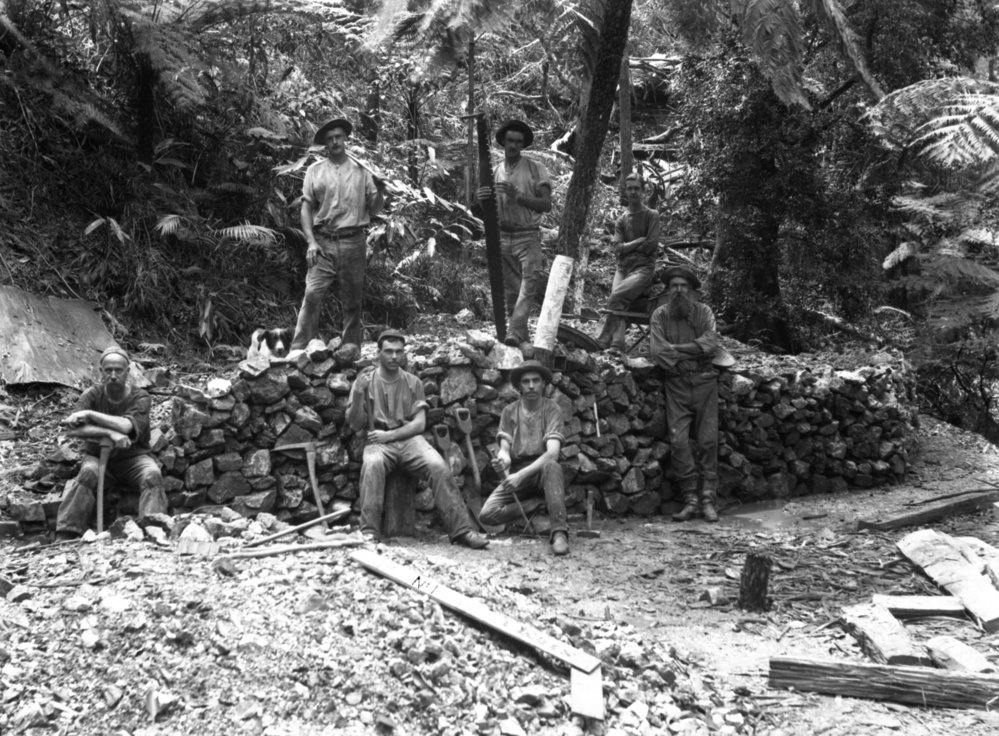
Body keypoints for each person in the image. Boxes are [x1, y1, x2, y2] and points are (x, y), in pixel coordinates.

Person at [346, 330, 489, 549]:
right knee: (372, 465)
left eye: (399, 352)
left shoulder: (413, 382)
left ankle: (463, 530)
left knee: (438, 466)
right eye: (389, 352)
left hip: (409, 438)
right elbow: (355, 423)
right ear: (378, 353)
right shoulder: (366, 381)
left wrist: (390, 435)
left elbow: (419, 424)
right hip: (377, 441)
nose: (394, 357)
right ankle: (369, 533)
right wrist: (357, 393)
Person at [291, 117, 385, 350]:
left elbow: (374, 209)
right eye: (330, 138)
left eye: (338, 137)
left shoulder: (363, 171)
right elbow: (306, 208)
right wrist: (311, 241)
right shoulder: (315, 171)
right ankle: (299, 352)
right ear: (325, 143)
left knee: (352, 302)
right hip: (323, 242)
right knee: (312, 295)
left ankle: (350, 352)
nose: (335, 142)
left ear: (345, 139)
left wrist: (381, 189)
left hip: (354, 242)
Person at [55, 347, 167, 538]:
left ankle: (153, 530)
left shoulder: (141, 397)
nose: (113, 375)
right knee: (88, 473)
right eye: (108, 370)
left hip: (133, 459)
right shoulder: (91, 395)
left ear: (128, 371)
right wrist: (109, 433)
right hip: (98, 458)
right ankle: (66, 532)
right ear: (101, 371)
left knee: (152, 475)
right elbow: (73, 428)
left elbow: (126, 426)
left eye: (118, 370)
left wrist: (90, 415)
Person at [649, 267, 723, 522]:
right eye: (674, 286)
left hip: (705, 382)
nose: (679, 290)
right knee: (678, 441)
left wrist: (678, 348)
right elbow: (658, 352)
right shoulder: (660, 315)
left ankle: (708, 499)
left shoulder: (704, 312)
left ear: (691, 290)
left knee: (708, 441)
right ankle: (690, 500)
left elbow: (711, 344)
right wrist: (694, 350)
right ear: (668, 290)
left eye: (683, 286)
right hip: (676, 384)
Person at [476, 120, 553, 350]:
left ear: (523, 145)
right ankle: (520, 340)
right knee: (511, 291)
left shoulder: (535, 168)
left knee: (529, 285)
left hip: (528, 235)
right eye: (510, 141)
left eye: (519, 142)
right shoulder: (496, 171)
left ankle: (513, 332)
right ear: (503, 143)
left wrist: (519, 196)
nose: (514, 146)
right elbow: (482, 209)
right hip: (503, 236)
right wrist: (481, 198)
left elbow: (546, 204)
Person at [480, 359, 569, 555]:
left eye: (536, 380)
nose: (531, 386)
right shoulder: (509, 411)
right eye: (526, 381)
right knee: (487, 514)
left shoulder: (552, 409)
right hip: (519, 471)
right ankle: (538, 502)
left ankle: (559, 532)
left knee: (553, 467)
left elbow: (552, 453)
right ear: (519, 385)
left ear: (544, 383)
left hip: (542, 470)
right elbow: (505, 449)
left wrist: (520, 476)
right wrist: (503, 461)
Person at [595, 173, 661, 351]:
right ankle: (618, 344)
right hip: (623, 268)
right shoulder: (622, 219)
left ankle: (602, 340)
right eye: (630, 188)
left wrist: (627, 247)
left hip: (643, 269)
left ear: (644, 190)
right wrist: (638, 242)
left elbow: (651, 245)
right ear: (625, 191)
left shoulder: (652, 215)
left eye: (636, 188)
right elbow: (616, 248)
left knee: (617, 297)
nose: (633, 192)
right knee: (619, 300)